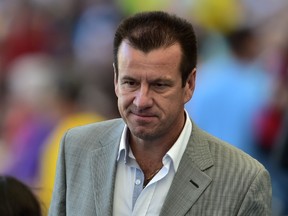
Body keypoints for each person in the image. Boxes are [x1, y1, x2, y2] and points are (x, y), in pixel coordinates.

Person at [49, 11, 272, 215]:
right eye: (131, 83)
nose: (142, 100)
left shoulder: (243, 180)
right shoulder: (76, 148)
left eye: (159, 85)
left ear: (190, 84)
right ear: (116, 80)